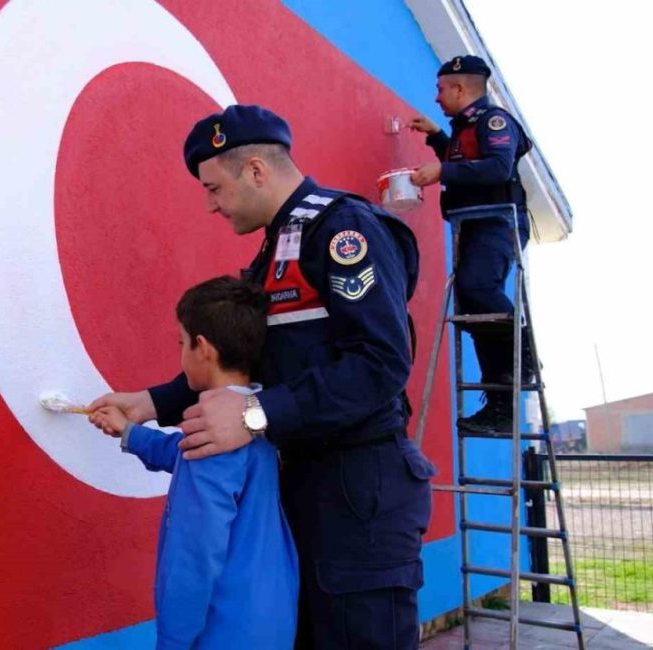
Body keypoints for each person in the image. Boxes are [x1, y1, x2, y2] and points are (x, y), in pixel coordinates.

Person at [90, 105, 435, 649]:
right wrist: (149, 404)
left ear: (255, 169)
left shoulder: (343, 229)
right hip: (304, 484)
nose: (210, 205)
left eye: (214, 188)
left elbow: (381, 364)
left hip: (358, 490)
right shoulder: (278, 249)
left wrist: (256, 415)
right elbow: (257, 361)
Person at [91, 276, 298, 649]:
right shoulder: (252, 417)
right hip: (269, 619)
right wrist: (129, 432)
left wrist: (173, 640)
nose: (181, 353)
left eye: (181, 342)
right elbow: (186, 455)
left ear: (203, 348)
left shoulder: (216, 436)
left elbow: (195, 557)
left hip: (220, 630)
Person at [408, 54, 535, 433]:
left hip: (499, 222)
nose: (436, 97)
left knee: (477, 288)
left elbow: (497, 167)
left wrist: (442, 170)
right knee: (472, 307)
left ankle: (523, 361)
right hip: (474, 226)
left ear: (461, 88)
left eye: (441, 89)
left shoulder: (494, 122)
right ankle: (500, 404)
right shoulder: (464, 128)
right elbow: (465, 160)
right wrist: (436, 139)